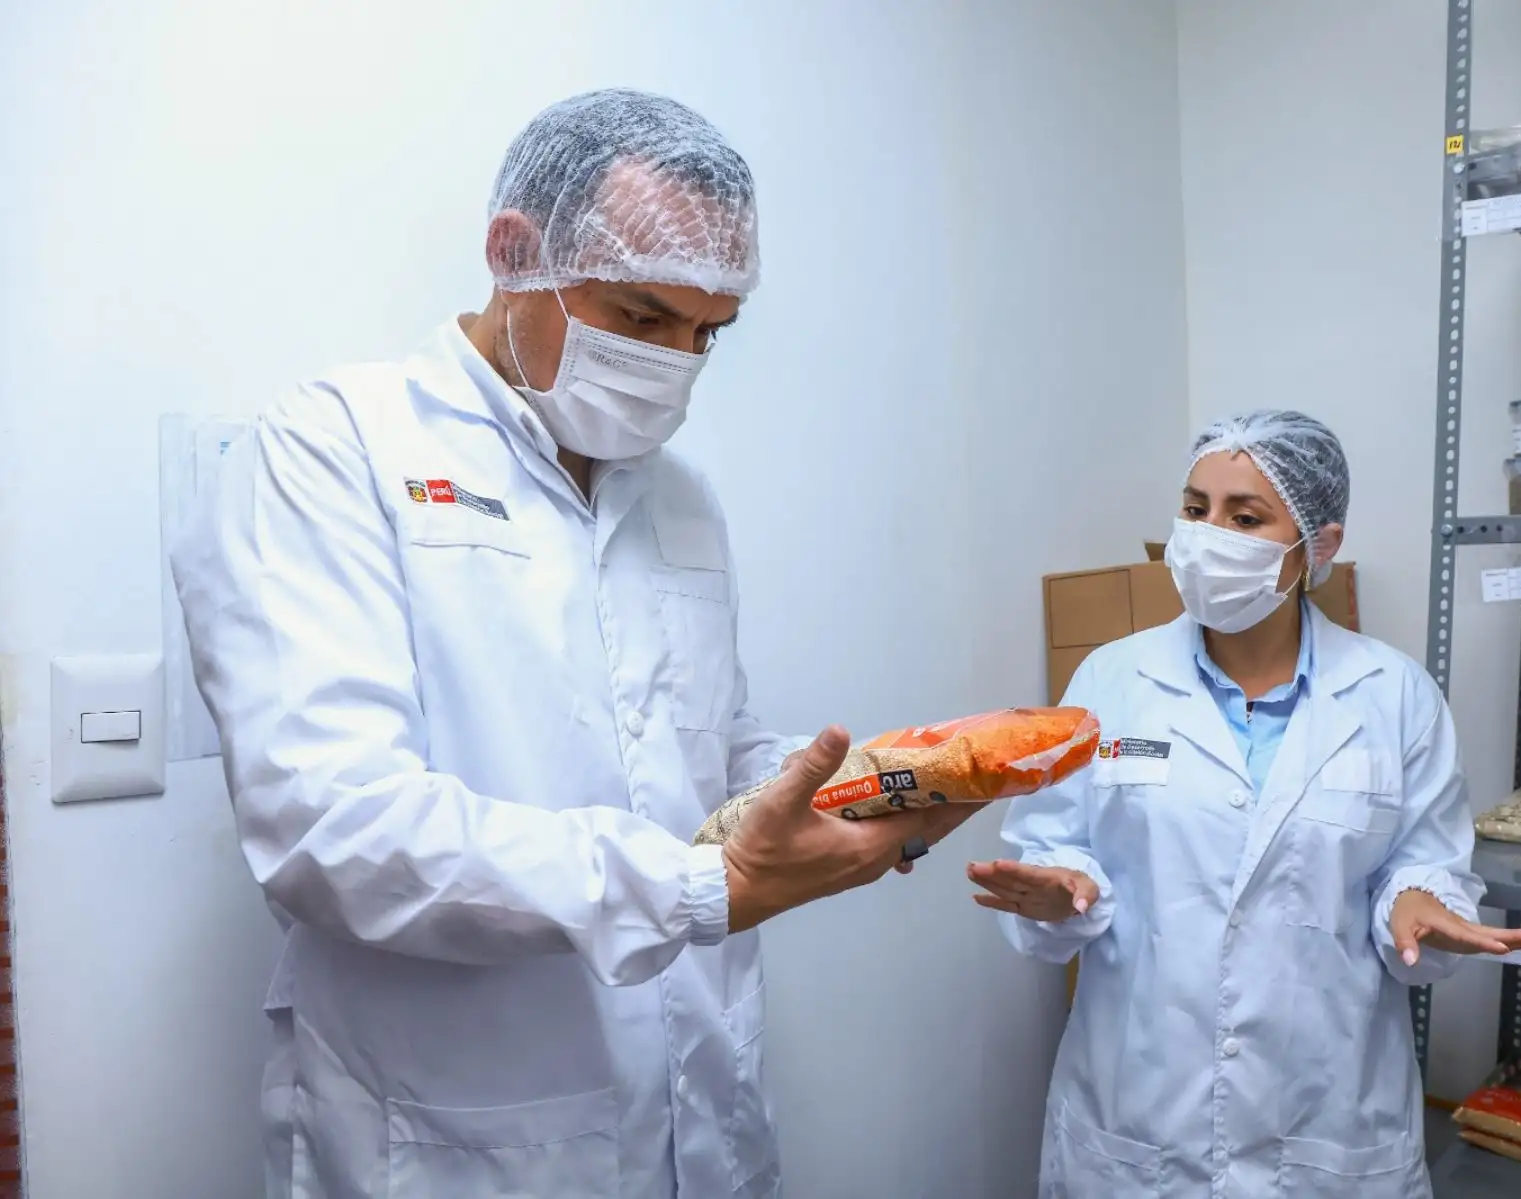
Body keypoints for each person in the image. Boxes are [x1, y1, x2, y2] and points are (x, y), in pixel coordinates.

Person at [171, 89, 976, 1199]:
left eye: (709, 334)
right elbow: (334, 826)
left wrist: (874, 792)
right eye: (643, 318)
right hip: (461, 1139)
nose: (677, 364)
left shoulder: (681, 497)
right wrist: (700, 886)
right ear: (515, 254)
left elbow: (708, 758)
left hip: (703, 1120)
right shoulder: (335, 445)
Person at [968, 411, 1521, 1198]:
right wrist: (1057, 888)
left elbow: (1425, 862)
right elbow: (1057, 844)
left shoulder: (1393, 695)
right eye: (1196, 507)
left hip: (1326, 1128)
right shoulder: (1111, 681)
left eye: (1245, 517)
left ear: (1319, 544)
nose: (1210, 536)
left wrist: (1420, 901)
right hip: (1138, 1124)